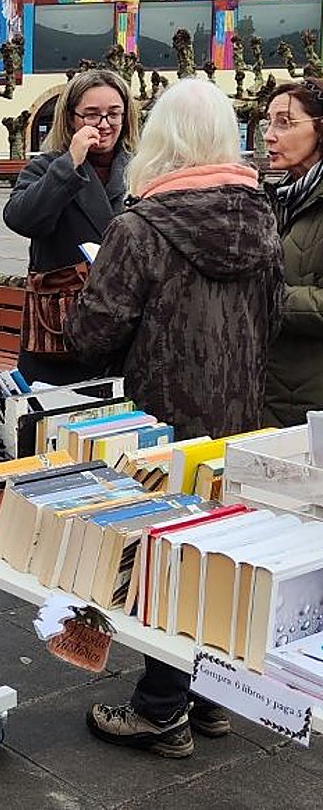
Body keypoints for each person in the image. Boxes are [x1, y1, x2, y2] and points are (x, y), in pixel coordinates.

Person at [65, 79, 284, 758]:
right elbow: (273, 319)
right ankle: (210, 698)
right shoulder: (262, 218)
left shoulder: (139, 227)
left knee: (163, 555)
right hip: (241, 414)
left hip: (162, 419)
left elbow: (92, 335)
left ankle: (160, 708)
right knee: (216, 551)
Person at [3, 69, 139, 386]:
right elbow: (21, 218)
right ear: (71, 119)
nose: (104, 124)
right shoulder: (46, 167)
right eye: (92, 115)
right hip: (59, 330)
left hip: (124, 327)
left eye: (113, 114)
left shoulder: (141, 169)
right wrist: (69, 164)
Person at [262, 78, 323, 427]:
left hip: (313, 406)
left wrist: (270, 299)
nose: (269, 135)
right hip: (271, 395)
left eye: (284, 123)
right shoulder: (275, 199)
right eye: (268, 122)